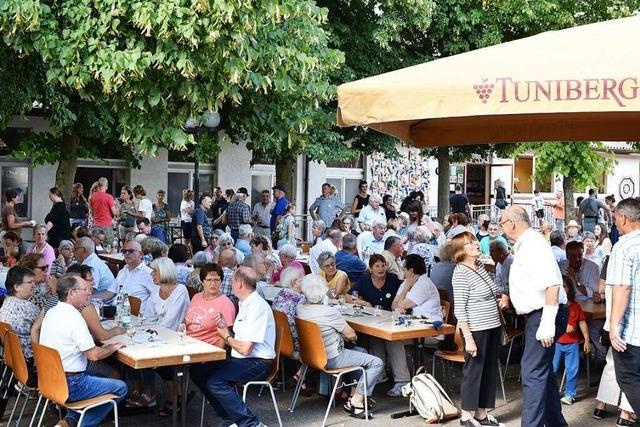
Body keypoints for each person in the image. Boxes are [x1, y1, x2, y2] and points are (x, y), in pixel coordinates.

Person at [500, 205, 568, 427]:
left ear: (511, 223)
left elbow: (552, 285)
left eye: (502, 222)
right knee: (541, 373)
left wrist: (547, 324)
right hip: (538, 314)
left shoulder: (533, 244)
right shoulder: (528, 244)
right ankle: (556, 423)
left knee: (533, 373)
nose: (501, 227)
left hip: (544, 313)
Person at [190, 267, 276, 427]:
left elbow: (245, 349)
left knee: (216, 382)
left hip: (258, 362)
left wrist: (226, 336)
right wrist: (224, 327)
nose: (230, 284)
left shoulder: (257, 306)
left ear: (240, 284)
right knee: (198, 371)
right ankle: (231, 419)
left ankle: (251, 423)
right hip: (241, 358)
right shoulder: (245, 303)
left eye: (232, 281)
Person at [40, 274, 127, 427]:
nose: (90, 292)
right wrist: (113, 347)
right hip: (71, 384)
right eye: (84, 289)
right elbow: (94, 355)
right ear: (71, 293)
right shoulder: (74, 318)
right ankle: (83, 424)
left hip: (50, 379)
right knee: (121, 387)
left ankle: (69, 422)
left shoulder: (52, 312)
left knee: (90, 372)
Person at [297, 274, 383, 419]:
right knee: (376, 362)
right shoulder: (329, 312)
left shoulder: (300, 308)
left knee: (362, 352)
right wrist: (343, 335)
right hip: (332, 357)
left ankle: (353, 395)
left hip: (310, 356)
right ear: (324, 291)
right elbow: (352, 335)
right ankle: (357, 401)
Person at [451, 231, 507, 427]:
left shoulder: (480, 266)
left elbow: (493, 290)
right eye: (469, 243)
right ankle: (467, 416)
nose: (475, 244)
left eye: (474, 240)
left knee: (489, 370)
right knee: (474, 371)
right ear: (460, 251)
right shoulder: (460, 272)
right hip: (476, 328)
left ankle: (482, 413)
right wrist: (469, 338)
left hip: (492, 325)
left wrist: (502, 297)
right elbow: (459, 309)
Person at [349, 254, 407, 395]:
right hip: (373, 319)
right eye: (377, 266)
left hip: (392, 319)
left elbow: (403, 296)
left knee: (392, 339)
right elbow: (349, 296)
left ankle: (402, 381)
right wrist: (365, 303)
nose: (381, 269)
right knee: (374, 338)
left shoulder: (393, 280)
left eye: (383, 265)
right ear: (370, 268)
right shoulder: (365, 280)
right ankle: (379, 374)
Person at [593, 256, 636, 425]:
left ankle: (601, 406)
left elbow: (601, 288)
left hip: (611, 320)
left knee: (611, 364)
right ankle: (625, 414)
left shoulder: (612, 258)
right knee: (633, 369)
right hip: (632, 322)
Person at [607, 198, 640, 416]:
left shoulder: (624, 246)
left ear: (624, 218)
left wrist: (614, 325)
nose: (615, 224)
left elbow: (622, 287)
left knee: (628, 378)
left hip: (633, 333)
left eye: (616, 219)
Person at [553, 275, 590, 406]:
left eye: (565, 286)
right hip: (556, 342)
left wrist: (586, 339)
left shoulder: (575, 306)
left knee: (572, 369)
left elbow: (582, 322)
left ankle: (570, 394)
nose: (562, 288)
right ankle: (550, 391)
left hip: (572, 343)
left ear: (570, 289)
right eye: (560, 286)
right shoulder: (554, 306)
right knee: (553, 367)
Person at [0, 266, 40, 380]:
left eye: (34, 281)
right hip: (31, 363)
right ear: (17, 287)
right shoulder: (27, 307)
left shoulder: (6, 303)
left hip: (13, 359)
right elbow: (49, 324)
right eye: (30, 282)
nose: (34, 285)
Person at [185, 263, 236, 347]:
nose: (213, 284)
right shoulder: (196, 297)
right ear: (202, 281)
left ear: (221, 281)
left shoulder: (225, 303)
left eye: (216, 280)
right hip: (187, 344)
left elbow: (226, 335)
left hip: (207, 350)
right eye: (209, 280)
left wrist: (217, 355)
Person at [392, 253, 443, 335]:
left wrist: (406, 288)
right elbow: (394, 305)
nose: (402, 272)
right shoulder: (407, 281)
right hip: (413, 325)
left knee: (393, 340)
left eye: (404, 269)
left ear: (411, 270)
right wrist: (398, 306)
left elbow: (401, 305)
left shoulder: (423, 284)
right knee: (379, 338)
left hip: (430, 330)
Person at [144, 257, 190, 330]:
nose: (151, 274)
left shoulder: (180, 290)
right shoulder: (155, 292)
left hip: (174, 336)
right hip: (155, 334)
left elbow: (170, 322)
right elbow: (148, 318)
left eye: (155, 271)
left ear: (165, 271)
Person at [115, 240, 156, 312]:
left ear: (141, 254)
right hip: (116, 312)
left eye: (130, 251)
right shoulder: (122, 271)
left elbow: (157, 298)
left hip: (135, 317)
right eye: (124, 251)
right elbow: (112, 292)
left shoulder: (148, 274)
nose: (126, 254)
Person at [74, 236, 117, 302]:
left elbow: (89, 290)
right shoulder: (91, 259)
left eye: (75, 249)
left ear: (84, 250)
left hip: (105, 303)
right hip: (101, 299)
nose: (73, 252)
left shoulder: (91, 265)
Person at [89, 177, 119, 246]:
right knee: (108, 246)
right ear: (106, 185)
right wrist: (117, 206)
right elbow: (115, 214)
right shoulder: (109, 197)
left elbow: (92, 212)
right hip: (107, 225)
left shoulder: (92, 197)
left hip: (96, 225)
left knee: (96, 246)